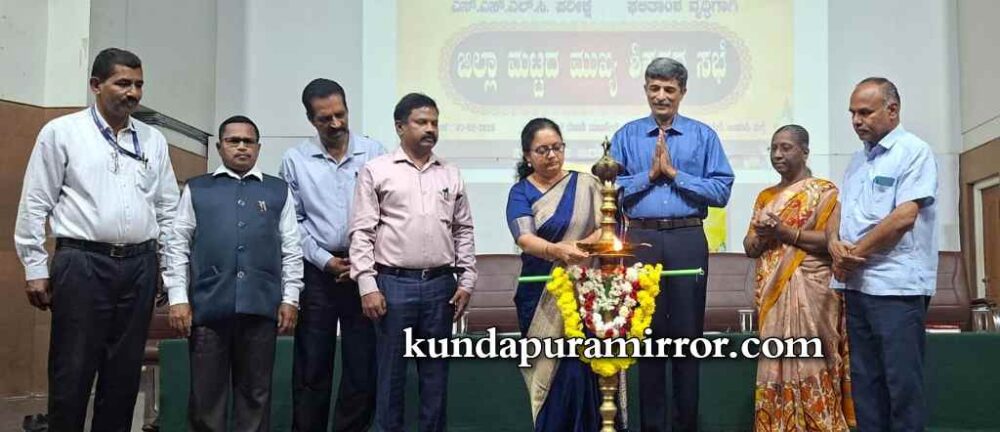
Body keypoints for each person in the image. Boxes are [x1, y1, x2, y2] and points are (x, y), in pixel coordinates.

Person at [13, 47, 180, 431]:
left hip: (140, 266)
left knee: (123, 375)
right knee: (72, 369)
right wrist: (35, 267)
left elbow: (169, 209)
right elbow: (35, 202)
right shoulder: (62, 132)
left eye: (138, 84)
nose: (133, 92)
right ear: (95, 85)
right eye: (123, 83)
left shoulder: (153, 140)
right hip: (82, 263)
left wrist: (169, 270)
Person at [610, 57, 734, 432]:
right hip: (641, 239)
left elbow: (721, 190)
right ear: (646, 90)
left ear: (682, 92)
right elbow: (609, 191)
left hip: (686, 238)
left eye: (669, 89)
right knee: (646, 335)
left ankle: (685, 424)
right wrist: (648, 176)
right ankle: (651, 426)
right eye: (654, 88)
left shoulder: (703, 136)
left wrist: (676, 175)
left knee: (686, 336)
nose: (661, 96)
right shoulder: (626, 136)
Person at [163, 115, 303, 431]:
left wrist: (290, 298)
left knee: (256, 396)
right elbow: (177, 244)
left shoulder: (277, 190)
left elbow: (292, 248)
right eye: (233, 141)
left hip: (261, 307)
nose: (241, 147)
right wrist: (178, 298)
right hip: (208, 307)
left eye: (248, 141)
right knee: (206, 399)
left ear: (258, 147)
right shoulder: (198, 188)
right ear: (219, 146)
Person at [349, 93, 477, 432]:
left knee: (435, 379)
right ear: (400, 127)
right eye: (422, 122)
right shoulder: (376, 170)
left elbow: (463, 230)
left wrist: (466, 280)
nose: (430, 129)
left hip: (441, 287)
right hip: (393, 285)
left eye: (434, 122)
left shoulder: (450, 173)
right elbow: (362, 232)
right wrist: (367, 285)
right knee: (390, 377)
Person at [827, 77, 938, 431]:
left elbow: (904, 217)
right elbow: (839, 212)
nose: (857, 121)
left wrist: (852, 254)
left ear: (893, 110)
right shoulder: (857, 160)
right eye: (852, 113)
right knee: (865, 385)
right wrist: (833, 243)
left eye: (865, 112)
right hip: (857, 286)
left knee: (901, 386)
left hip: (896, 288)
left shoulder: (914, 151)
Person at [281, 78, 384, 432]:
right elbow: (292, 223)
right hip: (317, 272)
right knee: (312, 365)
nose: (336, 123)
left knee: (362, 366)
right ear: (311, 120)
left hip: (365, 271)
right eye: (325, 118)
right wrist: (325, 260)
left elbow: (387, 213)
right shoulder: (295, 160)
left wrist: (362, 259)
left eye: (341, 114)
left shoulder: (374, 152)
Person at [743, 125, 854, 431]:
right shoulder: (766, 197)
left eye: (786, 147)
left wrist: (784, 232)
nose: (777, 154)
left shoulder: (824, 192)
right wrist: (763, 235)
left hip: (814, 289)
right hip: (774, 292)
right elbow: (750, 247)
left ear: (805, 151)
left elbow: (831, 241)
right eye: (773, 148)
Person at [505, 118, 603, 431]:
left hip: (585, 291)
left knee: (581, 372)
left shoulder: (587, 185)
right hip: (540, 297)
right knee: (550, 375)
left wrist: (580, 246)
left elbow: (608, 228)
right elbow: (524, 238)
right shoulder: (521, 192)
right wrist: (556, 251)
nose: (552, 155)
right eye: (542, 150)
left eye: (557, 147)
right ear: (527, 155)